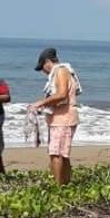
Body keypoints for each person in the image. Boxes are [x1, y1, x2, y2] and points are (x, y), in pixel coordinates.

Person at [31, 47, 81, 185]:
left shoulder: (60, 71)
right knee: (62, 153)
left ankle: (58, 187)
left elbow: (61, 94)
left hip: (63, 118)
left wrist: (41, 102)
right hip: (61, 118)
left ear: (47, 62)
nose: (43, 71)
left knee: (56, 153)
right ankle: (64, 184)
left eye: (42, 67)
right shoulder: (63, 71)